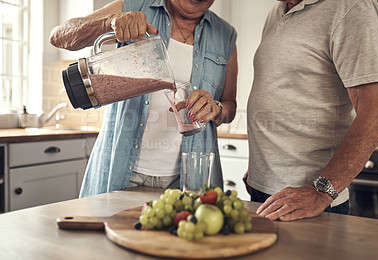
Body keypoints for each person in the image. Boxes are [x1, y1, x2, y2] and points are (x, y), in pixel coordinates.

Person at [49, 0, 238, 197]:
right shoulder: (136, 6)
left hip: (191, 179)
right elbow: (59, 36)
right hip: (121, 170)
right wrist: (110, 22)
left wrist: (216, 108)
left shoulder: (226, 35)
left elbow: (229, 106)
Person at [244, 0, 378, 221]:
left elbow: (377, 114)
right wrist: (259, 170)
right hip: (261, 190)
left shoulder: (351, 6)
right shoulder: (277, 11)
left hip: (308, 201)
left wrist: (320, 193)